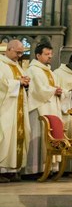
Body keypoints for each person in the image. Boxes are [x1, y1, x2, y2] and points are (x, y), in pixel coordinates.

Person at [24, 42, 63, 176]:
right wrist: (54, 90)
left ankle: (49, 168)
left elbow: (50, 88)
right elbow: (37, 91)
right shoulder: (32, 70)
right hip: (39, 109)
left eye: (51, 54)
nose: (50, 57)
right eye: (47, 54)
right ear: (38, 55)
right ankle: (35, 169)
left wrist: (58, 90)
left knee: (49, 137)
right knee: (38, 138)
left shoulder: (49, 71)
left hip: (51, 108)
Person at [0, 40, 31, 183]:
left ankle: (12, 170)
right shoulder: (1, 64)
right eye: (18, 52)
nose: (19, 55)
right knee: (5, 137)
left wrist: (25, 83)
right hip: (5, 108)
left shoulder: (17, 67)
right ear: (9, 49)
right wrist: (18, 82)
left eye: (21, 53)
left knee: (16, 136)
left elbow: (21, 85)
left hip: (18, 108)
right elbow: (2, 85)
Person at [53, 53, 72, 135]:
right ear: (70, 62)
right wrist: (69, 92)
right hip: (63, 110)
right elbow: (55, 89)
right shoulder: (57, 73)